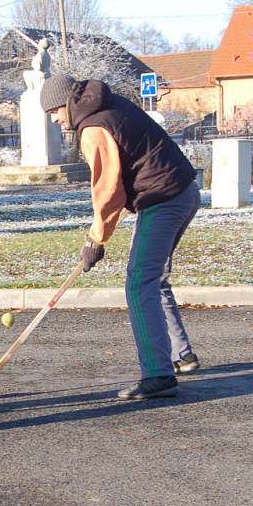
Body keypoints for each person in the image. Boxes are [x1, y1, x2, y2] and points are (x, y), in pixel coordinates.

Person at [39, 75, 200, 400]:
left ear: (64, 102)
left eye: (53, 111)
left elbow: (109, 189)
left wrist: (96, 239)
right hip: (184, 192)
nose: (54, 119)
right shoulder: (106, 103)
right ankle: (182, 355)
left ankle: (158, 374)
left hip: (164, 199)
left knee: (139, 281)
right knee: (154, 278)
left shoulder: (93, 128)